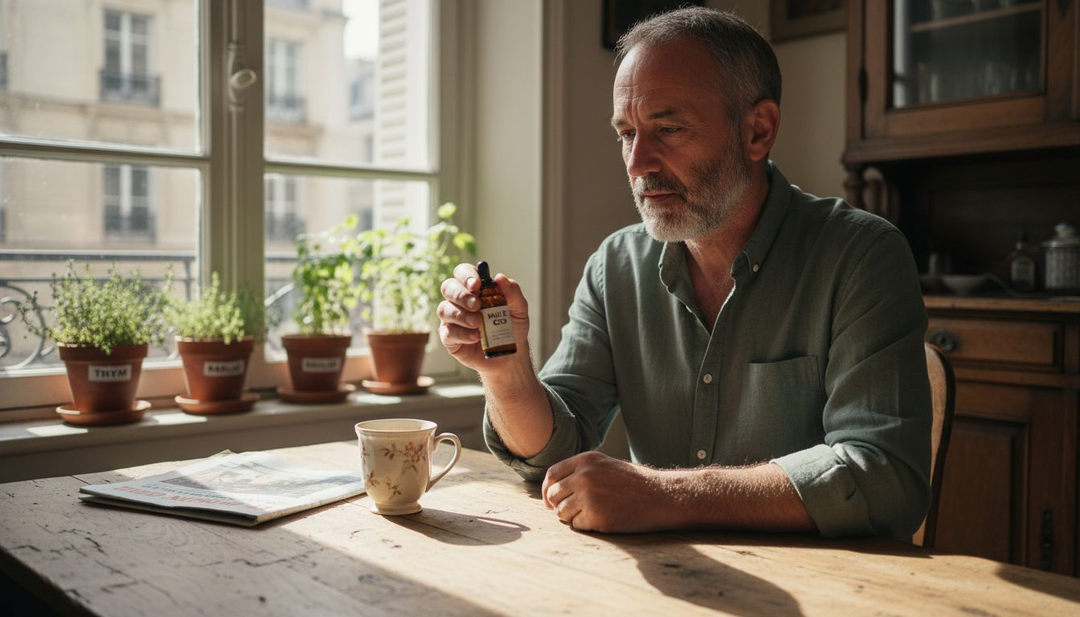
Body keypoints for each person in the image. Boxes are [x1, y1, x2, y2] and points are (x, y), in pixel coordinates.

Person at [437, 8, 931, 539]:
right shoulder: (615, 267)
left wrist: (665, 495)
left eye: (667, 129)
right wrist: (505, 372)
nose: (637, 163)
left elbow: (886, 480)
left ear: (757, 131)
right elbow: (556, 447)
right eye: (627, 133)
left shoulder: (861, 256)